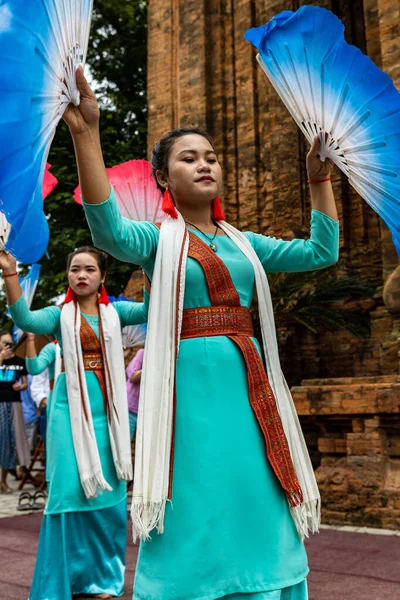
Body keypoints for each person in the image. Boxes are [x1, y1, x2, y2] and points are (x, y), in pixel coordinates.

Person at [64, 68, 339, 600]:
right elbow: (108, 231)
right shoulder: (156, 240)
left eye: (211, 156)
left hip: (249, 382)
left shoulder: (244, 242)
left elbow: (321, 252)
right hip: (185, 386)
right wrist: (85, 133)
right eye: (188, 158)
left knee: (256, 485)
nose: (205, 163)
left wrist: (318, 179)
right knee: (194, 489)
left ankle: (266, 579)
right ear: (163, 178)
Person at [0, 246, 149, 600]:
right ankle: (61, 581)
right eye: (74, 269)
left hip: (110, 420)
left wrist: (150, 264)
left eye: (89, 269)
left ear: (102, 278)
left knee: (110, 502)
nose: (81, 275)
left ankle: (103, 580)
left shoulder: (117, 313)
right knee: (68, 495)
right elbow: (26, 320)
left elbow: (149, 309)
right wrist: (9, 272)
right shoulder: (58, 315)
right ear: (68, 276)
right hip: (68, 418)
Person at [0, 330, 30, 494]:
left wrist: (22, 386)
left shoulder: (20, 361)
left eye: (10, 343)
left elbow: (25, 383)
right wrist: (1, 358)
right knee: (3, 440)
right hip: (1, 404)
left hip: (14, 403)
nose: (7, 346)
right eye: (4, 343)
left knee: (12, 441)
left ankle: (5, 479)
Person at [125, 347, 144, 439]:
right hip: (130, 408)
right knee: (125, 441)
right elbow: (133, 376)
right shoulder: (142, 353)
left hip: (146, 411)